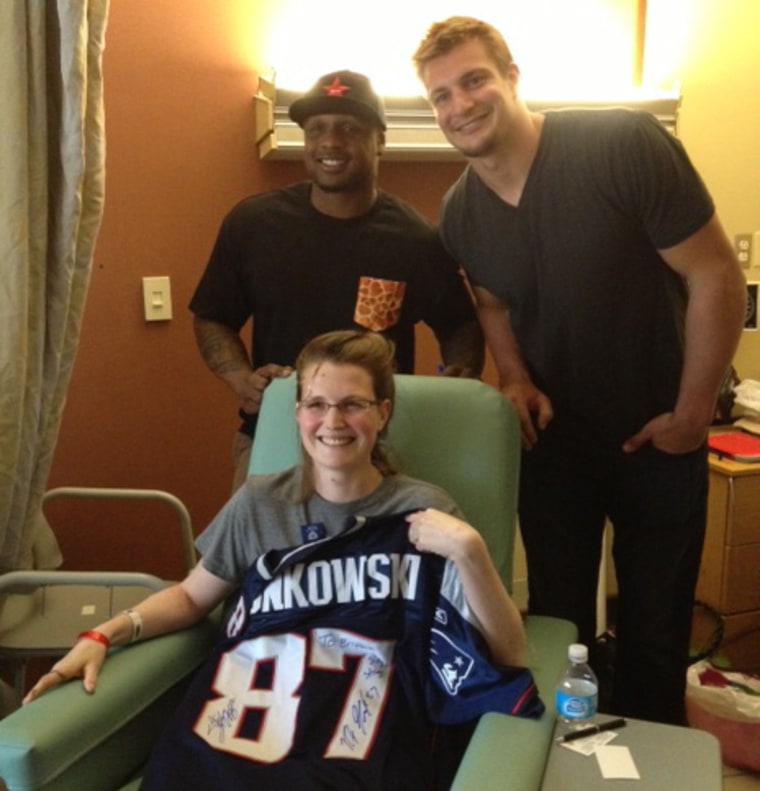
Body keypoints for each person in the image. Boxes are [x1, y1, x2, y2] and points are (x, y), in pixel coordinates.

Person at [24, 330, 541, 789]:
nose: (332, 421)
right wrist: (103, 635)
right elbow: (190, 596)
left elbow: (507, 652)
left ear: (383, 412)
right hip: (247, 734)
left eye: (353, 404)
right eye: (316, 404)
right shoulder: (259, 502)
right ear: (297, 414)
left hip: (364, 741)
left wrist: (468, 550)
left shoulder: (425, 512)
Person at [412, 17, 747, 725]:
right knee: (557, 623)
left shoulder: (621, 143)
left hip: (661, 431)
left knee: (656, 627)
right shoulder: (459, 212)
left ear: (511, 78)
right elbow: (495, 301)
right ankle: (567, 752)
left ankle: (653, 759)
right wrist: (516, 378)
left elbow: (717, 273)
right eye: (440, 95)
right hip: (558, 442)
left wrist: (690, 415)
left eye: (474, 80)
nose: (459, 105)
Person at [190, 69, 484, 490]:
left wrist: (459, 378)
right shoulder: (253, 225)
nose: (330, 142)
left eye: (349, 129)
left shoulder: (416, 239)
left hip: (375, 447)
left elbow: (460, 324)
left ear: (380, 140)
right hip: (273, 435)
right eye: (317, 130)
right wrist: (241, 380)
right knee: (263, 555)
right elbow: (212, 315)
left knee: (368, 556)